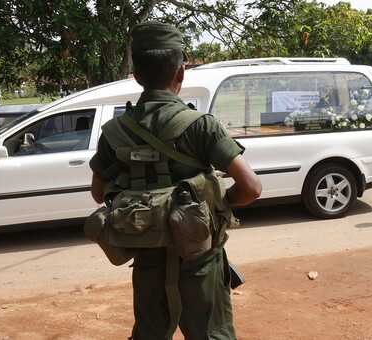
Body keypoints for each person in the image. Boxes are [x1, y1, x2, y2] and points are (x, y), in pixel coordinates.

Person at [89, 21, 262, 340]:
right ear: (180, 73)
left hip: (148, 261)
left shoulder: (115, 132)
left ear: (137, 75)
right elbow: (251, 187)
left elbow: (98, 194)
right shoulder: (201, 126)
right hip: (201, 262)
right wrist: (221, 201)